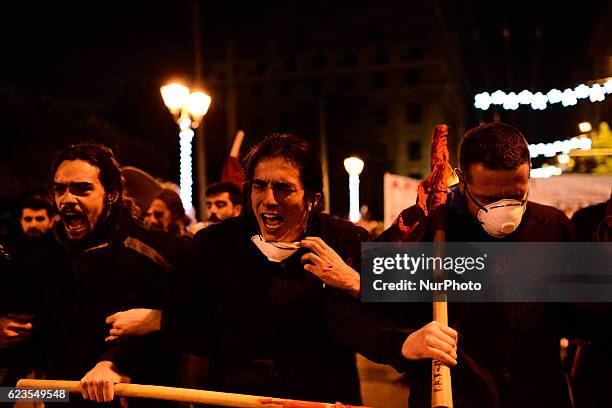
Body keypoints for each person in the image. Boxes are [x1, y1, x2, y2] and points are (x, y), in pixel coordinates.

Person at [329, 122, 576, 408]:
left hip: (539, 397)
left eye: (517, 196)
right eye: (489, 199)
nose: (505, 210)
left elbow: (583, 312)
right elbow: (343, 310)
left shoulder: (553, 228)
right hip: (453, 398)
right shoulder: (423, 233)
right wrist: (402, 344)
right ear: (462, 179)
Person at [18, 143, 186, 406]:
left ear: (112, 194)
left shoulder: (161, 254)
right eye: (59, 189)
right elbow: (30, 355)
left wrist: (118, 360)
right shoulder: (39, 259)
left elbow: (203, 323)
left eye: (82, 188)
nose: (67, 198)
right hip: (62, 398)